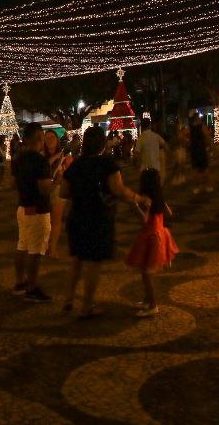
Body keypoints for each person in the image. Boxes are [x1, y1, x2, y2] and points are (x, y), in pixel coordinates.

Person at [61, 126, 148, 318]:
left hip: (76, 217)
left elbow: (63, 192)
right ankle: (86, 306)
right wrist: (139, 198)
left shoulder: (76, 164)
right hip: (98, 217)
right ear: (102, 144)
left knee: (77, 259)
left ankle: (68, 300)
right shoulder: (107, 163)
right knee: (93, 262)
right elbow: (118, 190)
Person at [126, 168, 178, 317]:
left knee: (147, 273)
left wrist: (135, 206)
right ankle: (147, 300)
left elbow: (144, 220)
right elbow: (169, 213)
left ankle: (153, 305)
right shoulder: (159, 196)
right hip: (159, 233)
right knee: (145, 271)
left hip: (150, 236)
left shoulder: (146, 199)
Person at [12, 123, 53, 302]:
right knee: (35, 251)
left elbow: (14, 183)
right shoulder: (40, 160)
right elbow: (44, 189)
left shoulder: (18, 158)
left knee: (22, 245)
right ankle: (32, 288)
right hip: (38, 209)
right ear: (39, 138)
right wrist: (56, 181)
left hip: (23, 207)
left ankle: (19, 282)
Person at [43, 129, 71, 258]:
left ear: (57, 140)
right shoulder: (41, 156)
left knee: (56, 219)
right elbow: (42, 166)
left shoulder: (65, 157)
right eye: (47, 138)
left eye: (52, 137)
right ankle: (44, 245)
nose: (50, 140)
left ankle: (52, 248)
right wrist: (56, 156)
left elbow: (70, 174)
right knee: (44, 220)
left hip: (58, 189)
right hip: (43, 189)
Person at [188, 116, 213, 194]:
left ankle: (197, 187)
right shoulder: (201, 127)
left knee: (196, 170)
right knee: (205, 169)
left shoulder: (190, 128)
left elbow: (184, 137)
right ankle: (207, 186)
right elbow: (207, 136)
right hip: (201, 150)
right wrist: (209, 144)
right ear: (197, 119)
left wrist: (189, 144)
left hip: (194, 150)